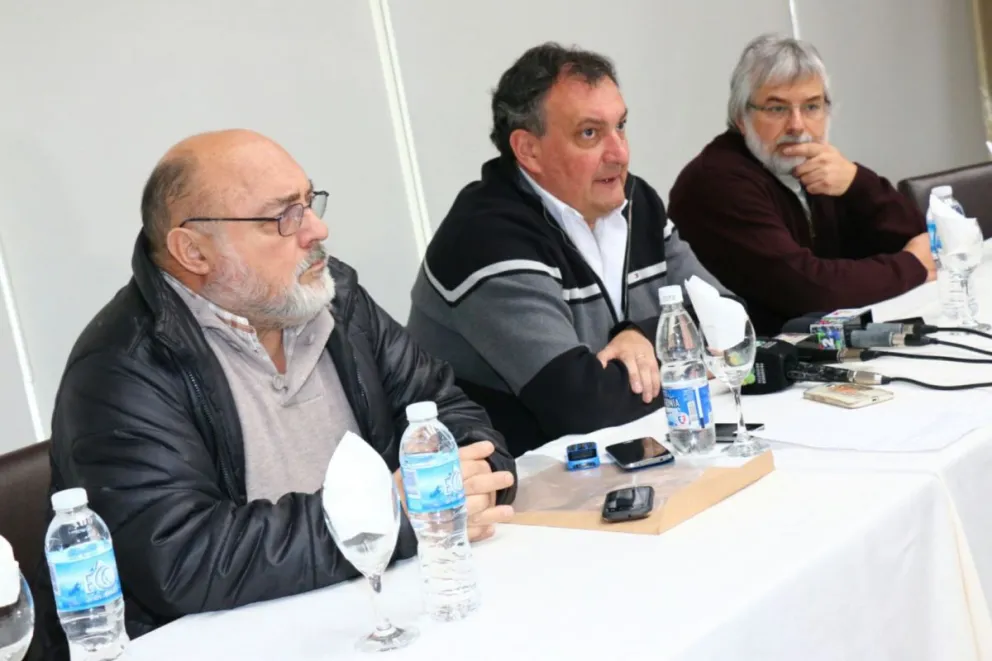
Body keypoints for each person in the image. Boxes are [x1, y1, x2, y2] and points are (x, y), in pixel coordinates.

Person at [33, 129, 516, 658]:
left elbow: (444, 410)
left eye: (309, 202)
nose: (316, 229)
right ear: (194, 251)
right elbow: (181, 558)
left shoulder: (334, 298)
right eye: (283, 216)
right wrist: (385, 515)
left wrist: (472, 481)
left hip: (376, 611)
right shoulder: (123, 368)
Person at [407, 43, 730, 457]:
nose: (620, 154)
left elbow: (728, 319)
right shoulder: (486, 238)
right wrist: (686, 358)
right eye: (590, 134)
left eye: (621, 126)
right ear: (529, 150)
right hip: (512, 478)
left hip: (621, 454)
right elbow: (582, 406)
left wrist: (642, 335)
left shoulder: (637, 203)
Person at [668, 34, 934, 335]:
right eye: (777, 109)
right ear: (741, 117)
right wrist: (910, 266)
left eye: (811, 107)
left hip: (825, 340)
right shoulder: (716, 182)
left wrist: (857, 182)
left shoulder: (818, 167)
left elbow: (921, 240)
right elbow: (811, 290)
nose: (797, 126)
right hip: (752, 356)